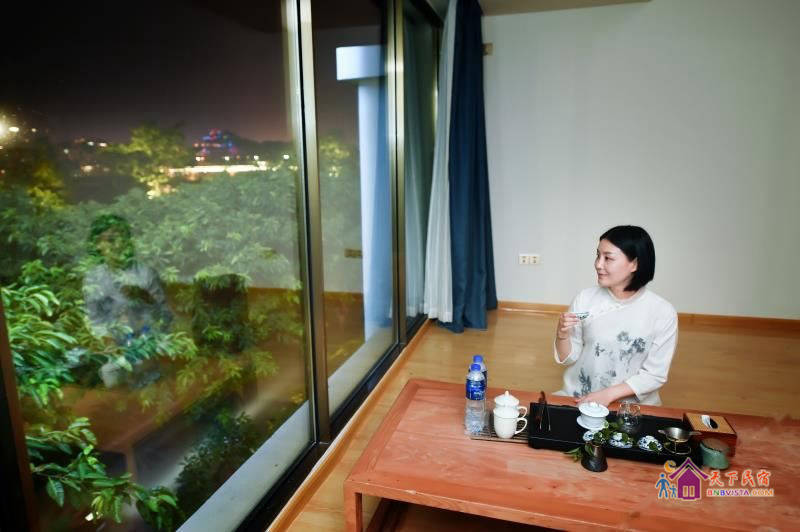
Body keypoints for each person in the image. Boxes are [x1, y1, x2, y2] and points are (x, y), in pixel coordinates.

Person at [554, 225, 677, 406]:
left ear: (635, 264)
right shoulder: (585, 298)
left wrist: (608, 395)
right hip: (580, 397)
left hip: (632, 408)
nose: (598, 264)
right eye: (598, 255)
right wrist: (562, 335)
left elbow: (655, 375)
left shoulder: (662, 312)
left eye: (608, 258)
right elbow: (569, 358)